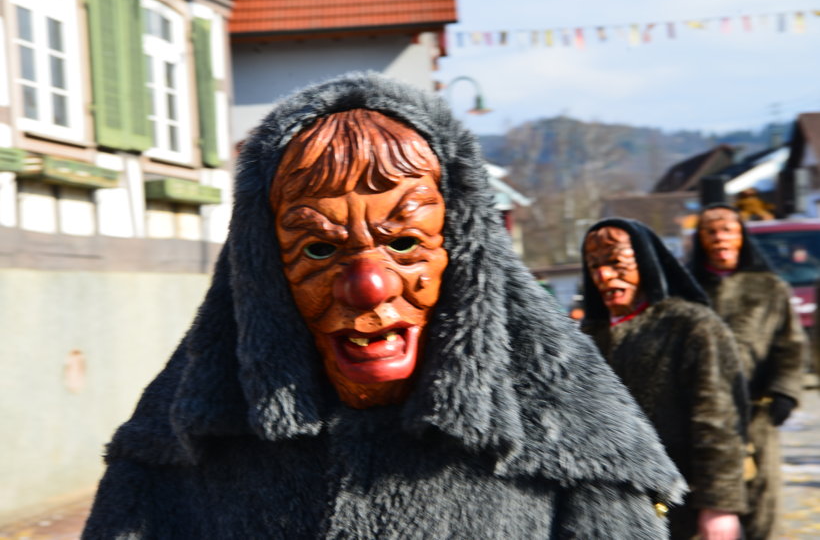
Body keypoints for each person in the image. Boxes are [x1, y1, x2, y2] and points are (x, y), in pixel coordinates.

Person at [82, 73, 685, 539]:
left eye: (403, 243)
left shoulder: (572, 445)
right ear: (264, 271)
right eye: (319, 247)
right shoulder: (178, 452)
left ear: (465, 256)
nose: (367, 286)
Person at [580, 218, 749, 540]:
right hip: (609, 505)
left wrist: (719, 506)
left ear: (646, 263)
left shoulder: (691, 325)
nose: (603, 275)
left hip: (682, 498)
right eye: (594, 266)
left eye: (616, 263)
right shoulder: (587, 337)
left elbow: (719, 420)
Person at [691, 205, 806, 540]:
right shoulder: (687, 288)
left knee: (762, 500)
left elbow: (790, 345)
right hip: (699, 414)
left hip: (756, 411)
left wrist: (785, 392)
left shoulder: (769, 287)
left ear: (741, 237)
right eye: (710, 232)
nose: (720, 238)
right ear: (700, 240)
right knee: (706, 503)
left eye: (728, 230)